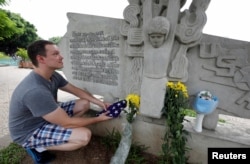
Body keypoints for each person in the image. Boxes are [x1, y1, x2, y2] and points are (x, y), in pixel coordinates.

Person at [8, 40, 113, 163]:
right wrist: (98, 119)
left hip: (45, 117)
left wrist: (100, 103)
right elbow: (67, 123)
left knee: (84, 103)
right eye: (55, 54)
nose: (61, 56)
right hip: (28, 131)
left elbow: (76, 91)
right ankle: (36, 147)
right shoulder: (35, 90)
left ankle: (57, 126)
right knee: (84, 136)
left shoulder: (52, 75)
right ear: (41, 59)